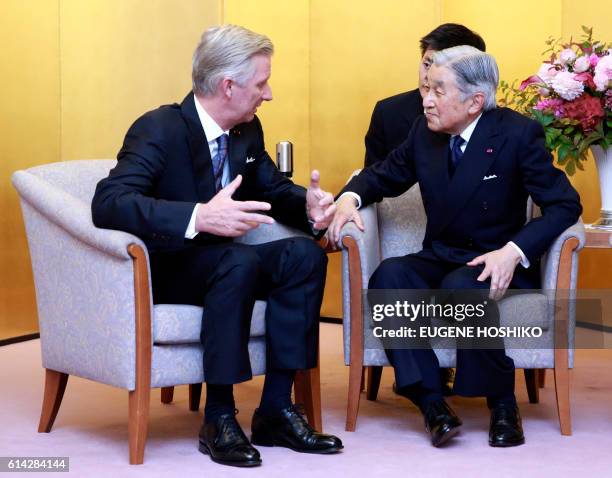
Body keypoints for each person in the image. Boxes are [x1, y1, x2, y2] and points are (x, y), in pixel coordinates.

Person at [92, 24, 342, 468]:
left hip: (229, 264)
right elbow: (110, 203)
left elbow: (270, 188)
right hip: (172, 269)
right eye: (261, 84)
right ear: (228, 86)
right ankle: (220, 418)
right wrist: (197, 216)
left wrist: (307, 204)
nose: (269, 95)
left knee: (303, 254)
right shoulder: (160, 128)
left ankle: (277, 410)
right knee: (238, 261)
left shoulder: (247, 130)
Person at [329, 45, 581, 448]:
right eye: (427, 88)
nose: (426, 100)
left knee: (466, 286)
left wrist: (514, 251)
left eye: (438, 91)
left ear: (474, 102)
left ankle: (502, 403)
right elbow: (382, 175)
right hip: (443, 253)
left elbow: (565, 204)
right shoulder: (423, 134)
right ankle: (431, 401)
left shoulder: (516, 134)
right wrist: (349, 197)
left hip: (495, 257)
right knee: (390, 276)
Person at [364, 23, 486, 168]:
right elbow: (375, 179)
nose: (429, 76)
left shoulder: (495, 122)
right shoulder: (388, 114)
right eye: (427, 64)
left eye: (442, 68)